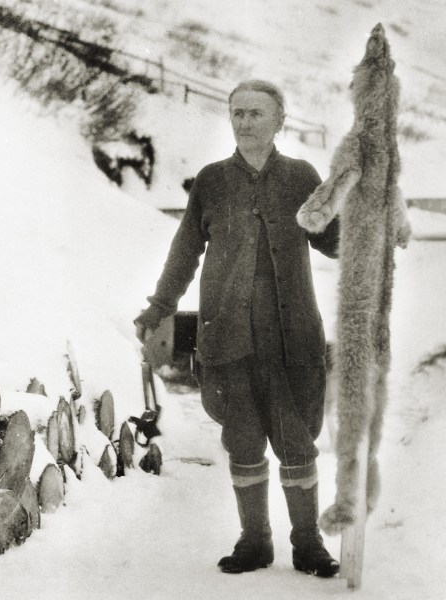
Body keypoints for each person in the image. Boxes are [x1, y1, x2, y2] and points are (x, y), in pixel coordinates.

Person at [135, 80, 340, 578]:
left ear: (279, 121)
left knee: (296, 442)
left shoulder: (301, 177)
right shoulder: (211, 181)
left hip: (291, 341)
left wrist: (367, 229)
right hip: (228, 339)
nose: (245, 122)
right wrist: (160, 307)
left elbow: (333, 241)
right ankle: (255, 540)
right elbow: (185, 252)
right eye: (238, 113)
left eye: (256, 113)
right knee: (243, 442)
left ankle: (308, 542)